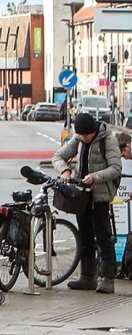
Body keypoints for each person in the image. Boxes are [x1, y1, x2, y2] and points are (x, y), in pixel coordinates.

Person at [56, 111, 123, 293]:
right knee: (85, 236)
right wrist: (65, 171)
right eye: (81, 135)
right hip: (82, 195)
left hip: (100, 195)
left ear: (94, 130)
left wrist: (96, 176)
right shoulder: (78, 139)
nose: (84, 138)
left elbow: (116, 168)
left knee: (103, 236)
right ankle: (87, 277)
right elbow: (58, 157)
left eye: (87, 135)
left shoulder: (107, 140)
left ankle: (108, 279)